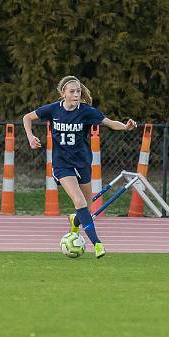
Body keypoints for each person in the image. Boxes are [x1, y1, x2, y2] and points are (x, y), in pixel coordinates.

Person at [22, 76, 137, 259]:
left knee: (86, 209)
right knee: (80, 202)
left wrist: (125, 127)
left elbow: (109, 123)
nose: (76, 95)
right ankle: (97, 244)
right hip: (62, 165)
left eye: (78, 91)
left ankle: (74, 221)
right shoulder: (53, 109)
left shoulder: (86, 111)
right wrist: (30, 136)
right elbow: (27, 117)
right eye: (72, 91)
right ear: (63, 94)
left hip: (83, 163)